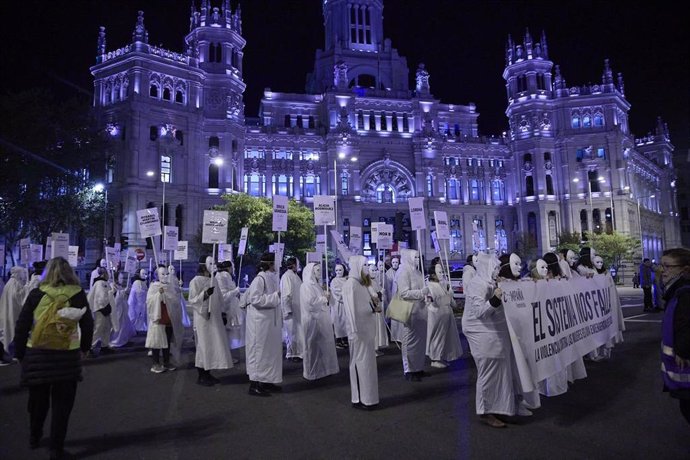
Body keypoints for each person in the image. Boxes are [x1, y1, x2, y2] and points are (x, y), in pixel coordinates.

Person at [13, 256, 94, 460]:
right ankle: (56, 448)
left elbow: (22, 324)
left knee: (37, 401)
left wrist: (20, 353)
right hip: (67, 356)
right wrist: (85, 348)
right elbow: (87, 324)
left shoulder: (36, 294)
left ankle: (34, 435)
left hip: (38, 354)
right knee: (62, 405)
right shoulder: (77, 294)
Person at [462, 252, 532, 428]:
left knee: (501, 372)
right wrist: (495, 298)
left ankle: (501, 409)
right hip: (481, 333)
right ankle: (486, 411)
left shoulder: (492, 282)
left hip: (495, 332)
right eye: (494, 268)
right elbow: (480, 312)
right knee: (488, 370)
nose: (496, 272)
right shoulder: (476, 285)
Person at [188, 256, 235, 386]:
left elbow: (220, 299)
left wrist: (223, 312)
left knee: (212, 345)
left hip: (214, 319)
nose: (213, 265)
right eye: (210, 263)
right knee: (203, 346)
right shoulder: (195, 282)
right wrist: (205, 295)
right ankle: (201, 375)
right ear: (203, 265)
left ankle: (208, 373)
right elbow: (192, 300)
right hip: (203, 320)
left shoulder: (213, 280)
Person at [342, 255, 379, 410]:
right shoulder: (350, 285)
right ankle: (361, 399)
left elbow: (365, 306)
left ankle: (369, 398)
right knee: (360, 365)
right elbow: (351, 311)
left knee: (368, 366)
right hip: (358, 333)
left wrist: (374, 305)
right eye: (364, 265)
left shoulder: (362, 284)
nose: (366, 268)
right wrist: (354, 331)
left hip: (367, 331)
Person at [659, 248, 690, 425]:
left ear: (684, 269)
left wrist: (683, 350)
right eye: (662, 265)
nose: (663, 270)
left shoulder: (685, 292)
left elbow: (686, 324)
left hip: (684, 363)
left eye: (668, 266)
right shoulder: (676, 290)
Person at [245, 252, 283, 396]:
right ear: (270, 263)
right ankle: (254, 384)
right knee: (259, 352)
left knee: (269, 353)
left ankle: (266, 381)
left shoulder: (272, 277)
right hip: (259, 324)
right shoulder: (260, 279)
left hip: (270, 323)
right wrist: (275, 297)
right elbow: (255, 299)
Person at [300, 262, 339, 381]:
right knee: (312, 347)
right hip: (313, 320)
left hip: (322, 320)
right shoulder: (306, 286)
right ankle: (312, 372)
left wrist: (327, 295)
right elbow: (309, 303)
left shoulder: (317, 285)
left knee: (323, 345)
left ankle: (325, 369)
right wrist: (323, 298)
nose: (319, 272)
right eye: (316, 270)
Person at [395, 249, 430, 382]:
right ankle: (409, 369)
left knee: (420, 342)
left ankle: (418, 368)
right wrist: (421, 293)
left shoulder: (417, 272)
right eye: (414, 257)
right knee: (409, 341)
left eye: (418, 257)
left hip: (421, 311)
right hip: (410, 311)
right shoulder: (403, 271)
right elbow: (404, 293)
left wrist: (426, 295)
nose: (417, 260)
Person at [426, 257, 463, 368]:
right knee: (436, 337)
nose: (442, 274)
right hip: (436, 316)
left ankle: (442, 356)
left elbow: (449, 300)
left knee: (445, 337)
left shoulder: (442, 284)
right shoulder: (429, 286)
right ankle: (435, 358)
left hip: (446, 315)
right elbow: (431, 302)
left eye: (442, 272)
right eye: (439, 272)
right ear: (433, 275)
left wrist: (450, 296)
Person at [145, 266, 183, 373]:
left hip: (169, 319)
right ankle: (155, 363)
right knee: (157, 343)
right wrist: (159, 295)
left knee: (167, 342)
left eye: (167, 274)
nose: (165, 276)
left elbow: (175, 301)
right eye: (162, 274)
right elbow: (149, 302)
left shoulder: (170, 287)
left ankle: (166, 362)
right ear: (157, 275)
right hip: (158, 319)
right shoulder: (153, 286)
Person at [87, 267, 117, 356]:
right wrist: (111, 293)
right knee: (98, 329)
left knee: (106, 328)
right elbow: (101, 297)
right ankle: (90, 347)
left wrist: (112, 292)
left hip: (105, 309)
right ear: (104, 274)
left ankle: (104, 345)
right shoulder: (100, 283)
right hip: (101, 309)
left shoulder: (104, 283)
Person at [0, 266, 28, 359]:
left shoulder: (9, 283)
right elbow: (21, 300)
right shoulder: (16, 284)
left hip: (8, 314)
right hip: (14, 315)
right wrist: (28, 288)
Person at [216, 261, 242, 358]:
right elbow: (224, 297)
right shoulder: (223, 276)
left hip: (231, 311)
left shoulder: (227, 276)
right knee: (227, 335)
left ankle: (229, 355)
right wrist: (235, 291)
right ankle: (226, 356)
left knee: (231, 335)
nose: (233, 269)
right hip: (226, 311)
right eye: (232, 267)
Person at [281, 257, 304, 362]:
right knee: (291, 332)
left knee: (297, 332)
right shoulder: (286, 276)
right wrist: (287, 309)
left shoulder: (295, 276)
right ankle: (292, 353)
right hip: (291, 310)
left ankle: (298, 352)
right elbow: (286, 294)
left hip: (297, 308)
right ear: (294, 265)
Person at [109, 271, 136, 348]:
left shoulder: (119, 286)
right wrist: (123, 292)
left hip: (122, 309)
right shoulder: (113, 286)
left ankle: (122, 339)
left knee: (123, 325)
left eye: (122, 278)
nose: (122, 279)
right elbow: (116, 299)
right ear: (116, 278)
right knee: (117, 325)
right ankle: (115, 340)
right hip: (117, 310)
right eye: (120, 278)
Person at [368, 261, 389, 356]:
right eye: (372, 270)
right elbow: (372, 295)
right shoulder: (367, 282)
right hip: (373, 309)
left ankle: (377, 347)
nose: (374, 272)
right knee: (374, 329)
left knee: (379, 328)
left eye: (375, 270)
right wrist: (380, 293)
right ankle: (373, 348)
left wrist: (381, 293)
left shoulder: (375, 280)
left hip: (378, 308)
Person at [329, 263, 349, 350]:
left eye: (340, 270)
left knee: (346, 322)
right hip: (338, 305)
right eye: (336, 270)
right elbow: (336, 292)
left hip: (346, 305)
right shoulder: (334, 281)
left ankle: (345, 339)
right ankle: (338, 340)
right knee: (338, 323)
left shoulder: (347, 279)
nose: (338, 272)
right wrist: (345, 294)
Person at [386, 256, 404, 344]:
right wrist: (390, 299)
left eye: (396, 262)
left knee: (401, 318)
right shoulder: (388, 273)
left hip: (401, 297)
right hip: (393, 297)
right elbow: (388, 288)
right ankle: (394, 336)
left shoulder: (402, 271)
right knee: (394, 320)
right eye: (393, 262)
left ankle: (401, 336)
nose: (395, 264)